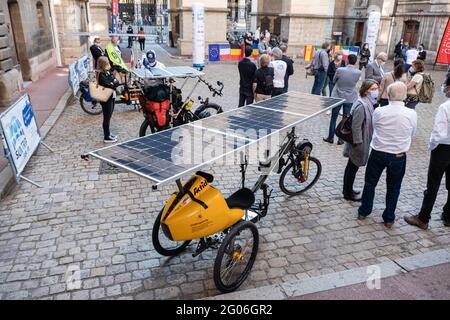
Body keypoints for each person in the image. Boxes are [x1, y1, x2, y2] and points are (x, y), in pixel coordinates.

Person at [357, 82, 417, 228]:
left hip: (379, 151)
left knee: (370, 183)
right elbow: (412, 133)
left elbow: (375, 126)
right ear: (404, 96)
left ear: (389, 95)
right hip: (398, 154)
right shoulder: (412, 113)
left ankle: (364, 211)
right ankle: (389, 218)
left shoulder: (379, 111)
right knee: (394, 187)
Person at [404, 75, 450, 230]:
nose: (443, 87)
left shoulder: (445, 107)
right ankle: (448, 216)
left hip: (443, 148)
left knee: (433, 184)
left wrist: (432, 146)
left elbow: (439, 133)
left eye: (445, 85)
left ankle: (423, 217)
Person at [342, 79, 379, 201]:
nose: (376, 91)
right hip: (358, 142)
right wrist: (358, 143)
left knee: (352, 167)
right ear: (366, 90)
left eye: (376, 88)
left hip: (363, 140)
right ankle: (347, 193)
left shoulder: (369, 102)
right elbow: (356, 126)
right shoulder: (361, 105)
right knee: (352, 167)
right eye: (373, 89)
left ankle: (348, 189)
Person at [323, 54, 361, 145]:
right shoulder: (358, 72)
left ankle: (330, 137)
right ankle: (341, 139)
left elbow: (333, 80)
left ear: (347, 60)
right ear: (355, 62)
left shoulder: (340, 70)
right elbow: (356, 82)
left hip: (338, 95)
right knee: (345, 118)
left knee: (334, 117)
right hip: (350, 97)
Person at [96, 56, 121, 143]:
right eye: (107, 63)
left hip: (111, 96)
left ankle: (109, 134)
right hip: (106, 98)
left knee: (109, 116)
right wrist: (113, 82)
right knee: (106, 118)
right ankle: (106, 137)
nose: (109, 64)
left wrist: (113, 82)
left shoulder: (108, 72)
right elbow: (108, 84)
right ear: (103, 64)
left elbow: (116, 81)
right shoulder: (101, 74)